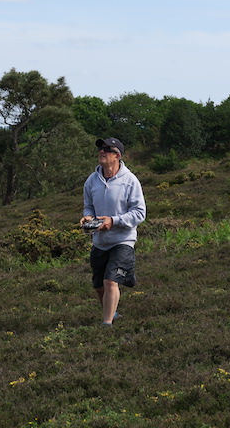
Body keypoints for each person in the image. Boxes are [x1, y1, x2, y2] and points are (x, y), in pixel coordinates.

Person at [80, 137, 146, 326]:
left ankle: (107, 325)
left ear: (117, 155)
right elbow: (88, 206)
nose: (101, 152)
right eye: (100, 149)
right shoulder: (92, 180)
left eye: (107, 149)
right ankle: (114, 311)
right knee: (99, 285)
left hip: (123, 240)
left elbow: (139, 213)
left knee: (110, 281)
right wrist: (88, 218)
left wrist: (113, 221)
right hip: (100, 241)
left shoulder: (130, 181)